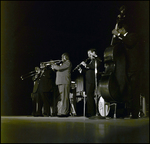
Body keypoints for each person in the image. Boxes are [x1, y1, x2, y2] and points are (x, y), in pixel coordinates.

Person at [112, 22, 142, 119]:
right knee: (125, 91)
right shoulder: (121, 39)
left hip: (134, 68)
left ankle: (135, 113)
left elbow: (129, 42)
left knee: (134, 91)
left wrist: (118, 35)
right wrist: (114, 36)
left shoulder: (132, 36)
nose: (118, 32)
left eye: (119, 30)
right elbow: (113, 45)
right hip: (124, 68)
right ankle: (124, 112)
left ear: (123, 29)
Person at [80, 49, 102, 117]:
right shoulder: (91, 61)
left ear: (93, 52)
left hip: (92, 80)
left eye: (89, 53)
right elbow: (89, 70)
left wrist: (86, 65)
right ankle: (89, 111)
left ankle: (92, 112)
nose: (88, 55)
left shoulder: (97, 59)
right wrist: (82, 70)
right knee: (89, 96)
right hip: (88, 80)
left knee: (90, 95)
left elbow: (94, 66)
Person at [51, 53, 72, 117]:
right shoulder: (63, 64)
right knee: (62, 98)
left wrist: (54, 64)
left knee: (65, 98)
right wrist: (54, 67)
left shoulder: (67, 62)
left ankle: (65, 112)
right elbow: (59, 69)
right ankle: (63, 111)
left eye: (62, 57)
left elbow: (59, 68)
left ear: (66, 57)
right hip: (61, 82)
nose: (61, 58)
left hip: (64, 82)